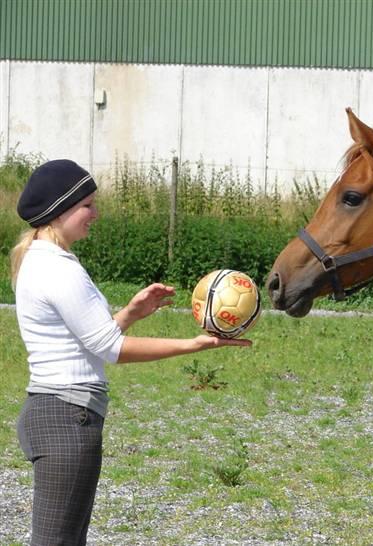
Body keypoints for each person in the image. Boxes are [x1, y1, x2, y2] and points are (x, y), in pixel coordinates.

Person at [10, 159, 251, 545]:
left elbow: (88, 340)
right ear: (61, 210)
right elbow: (110, 348)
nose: (95, 213)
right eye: (87, 204)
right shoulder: (58, 269)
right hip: (66, 420)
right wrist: (196, 344)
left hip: (55, 413)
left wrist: (130, 313)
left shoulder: (42, 261)